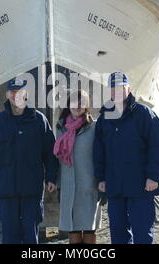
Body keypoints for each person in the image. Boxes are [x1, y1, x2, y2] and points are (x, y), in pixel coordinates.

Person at [0, 77, 58, 244]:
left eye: (20, 92)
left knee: (30, 235)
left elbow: (49, 152)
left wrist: (51, 177)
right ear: (7, 95)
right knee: (9, 236)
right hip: (7, 191)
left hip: (32, 190)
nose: (17, 96)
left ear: (26, 94)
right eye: (13, 92)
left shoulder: (39, 121)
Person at [93, 72, 159, 244]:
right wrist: (101, 177)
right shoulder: (105, 116)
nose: (118, 91)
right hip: (114, 184)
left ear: (129, 89)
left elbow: (157, 147)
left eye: (121, 87)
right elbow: (99, 150)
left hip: (141, 185)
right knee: (118, 234)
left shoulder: (144, 113)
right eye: (114, 88)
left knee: (142, 233)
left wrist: (153, 176)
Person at [54, 90, 102, 244]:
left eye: (82, 103)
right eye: (75, 102)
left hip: (89, 186)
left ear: (87, 106)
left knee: (89, 228)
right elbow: (57, 160)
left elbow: (101, 156)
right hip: (68, 187)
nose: (78, 106)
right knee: (72, 228)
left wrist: (102, 181)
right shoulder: (61, 128)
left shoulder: (94, 127)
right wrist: (57, 184)